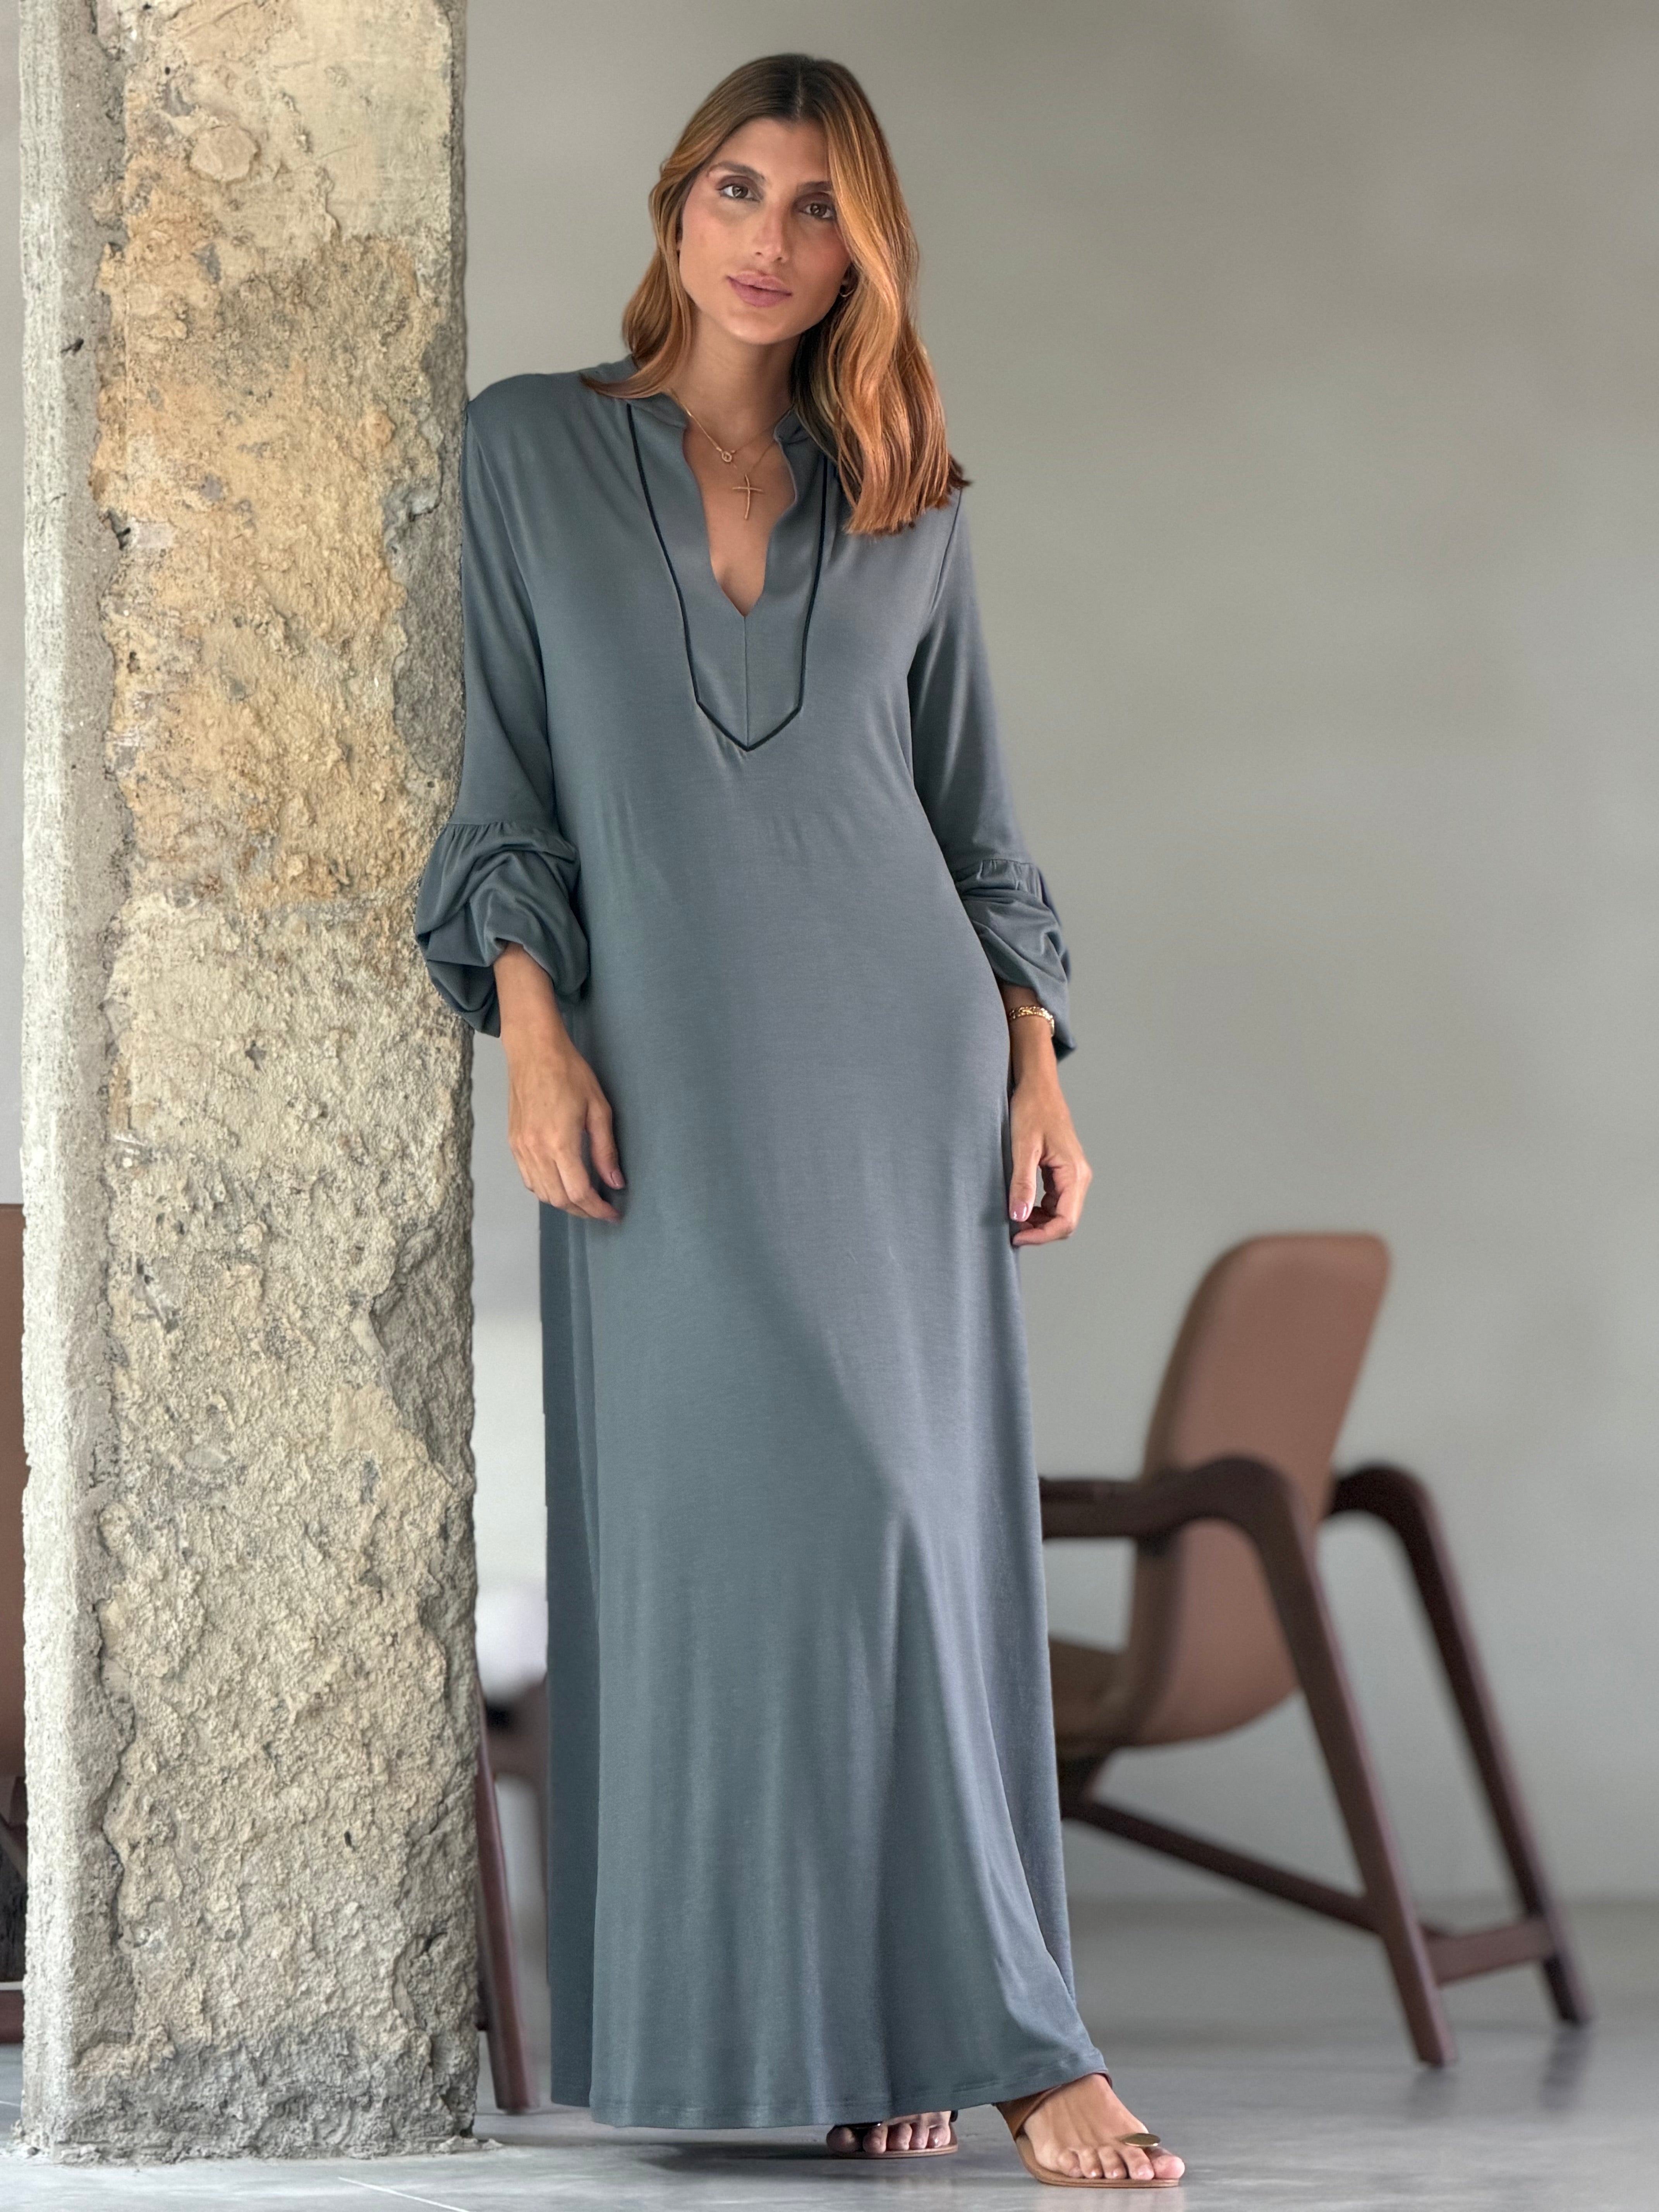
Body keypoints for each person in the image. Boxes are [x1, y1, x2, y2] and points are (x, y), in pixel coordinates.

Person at [414, 51, 1185, 2191]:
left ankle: (1001, 2036)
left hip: (900, 1075)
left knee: (905, 1530)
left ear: (868, 253)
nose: (771, 239)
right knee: (740, 1553)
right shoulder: (528, 450)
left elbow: (975, 827)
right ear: (678, 207)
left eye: (821, 206)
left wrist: (1037, 1069)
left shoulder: (908, 497)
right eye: (740, 190)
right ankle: (859, 2019)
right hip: (660, 1080)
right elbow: (504, 787)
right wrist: (535, 1036)